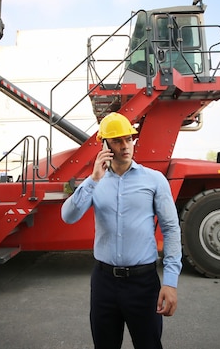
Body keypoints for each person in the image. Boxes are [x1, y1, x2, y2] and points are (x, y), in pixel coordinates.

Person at [61, 112, 182, 349]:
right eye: (117, 140)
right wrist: (93, 179)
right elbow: (68, 216)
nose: (125, 146)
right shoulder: (94, 182)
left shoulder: (154, 180)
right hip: (104, 283)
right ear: (104, 145)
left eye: (128, 139)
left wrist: (170, 282)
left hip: (143, 284)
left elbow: (171, 229)